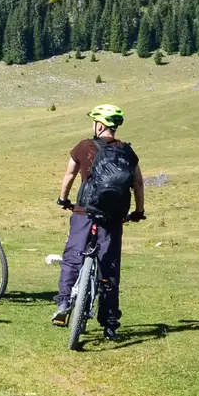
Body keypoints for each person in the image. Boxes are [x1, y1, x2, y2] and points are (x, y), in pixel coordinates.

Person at [52, 104, 145, 341]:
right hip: (113, 216)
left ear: (99, 125)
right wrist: (138, 210)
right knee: (109, 267)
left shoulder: (84, 146)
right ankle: (110, 323)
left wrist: (63, 199)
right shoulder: (128, 152)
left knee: (73, 255)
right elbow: (138, 184)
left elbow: (70, 175)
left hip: (85, 212)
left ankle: (63, 303)